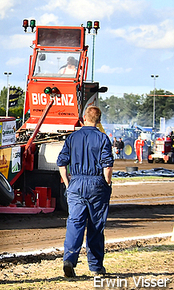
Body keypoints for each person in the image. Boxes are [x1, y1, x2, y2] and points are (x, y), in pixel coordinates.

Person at [57, 105, 113, 278]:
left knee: (75, 223)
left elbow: (61, 163)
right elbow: (107, 166)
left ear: (83, 118)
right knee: (96, 225)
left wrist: (67, 183)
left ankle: (69, 261)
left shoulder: (72, 137)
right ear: (99, 120)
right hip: (96, 183)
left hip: (76, 183)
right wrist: (107, 184)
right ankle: (96, 268)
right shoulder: (103, 138)